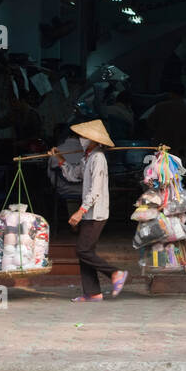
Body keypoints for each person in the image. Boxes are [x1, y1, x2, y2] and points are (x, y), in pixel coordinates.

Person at [50, 119, 128, 303]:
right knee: (85, 251)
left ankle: (115, 273)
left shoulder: (98, 158)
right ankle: (93, 293)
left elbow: (96, 190)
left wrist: (80, 211)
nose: (80, 139)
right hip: (89, 212)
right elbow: (74, 175)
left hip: (96, 212)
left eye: (83, 136)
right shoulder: (88, 157)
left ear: (93, 139)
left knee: (83, 250)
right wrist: (60, 159)